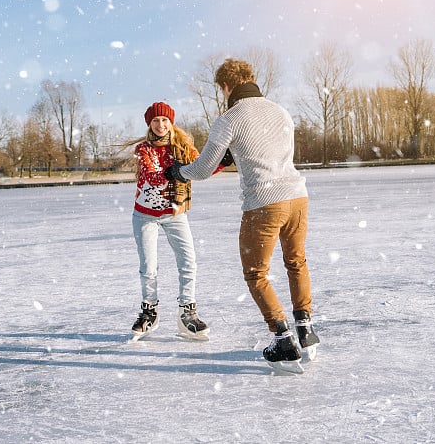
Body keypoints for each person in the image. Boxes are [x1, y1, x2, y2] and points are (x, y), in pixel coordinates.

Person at [165, 58, 320, 373]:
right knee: (296, 262)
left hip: (264, 202)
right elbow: (269, 152)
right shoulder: (280, 111)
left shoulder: (229, 118)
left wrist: (179, 172)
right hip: (298, 197)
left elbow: (205, 168)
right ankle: (306, 329)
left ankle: (284, 340)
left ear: (225, 86)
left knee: (256, 274)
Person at [130, 101, 210, 341]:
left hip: (174, 214)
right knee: (149, 266)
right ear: (149, 124)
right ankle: (149, 311)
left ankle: (188, 314)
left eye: (165, 120)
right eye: (156, 120)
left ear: (171, 122)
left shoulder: (182, 148)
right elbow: (151, 176)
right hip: (145, 215)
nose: (161, 125)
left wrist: (222, 161)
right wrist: (172, 171)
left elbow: (202, 168)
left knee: (188, 261)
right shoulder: (143, 149)